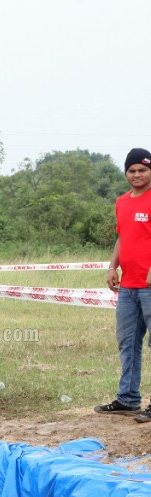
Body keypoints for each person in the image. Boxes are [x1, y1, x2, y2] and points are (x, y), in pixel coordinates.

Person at [97, 148, 151, 421]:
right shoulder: (122, 202)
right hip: (128, 286)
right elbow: (122, 237)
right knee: (127, 342)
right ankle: (128, 399)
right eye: (132, 170)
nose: (137, 175)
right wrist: (112, 266)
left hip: (150, 285)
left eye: (142, 169)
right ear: (126, 173)